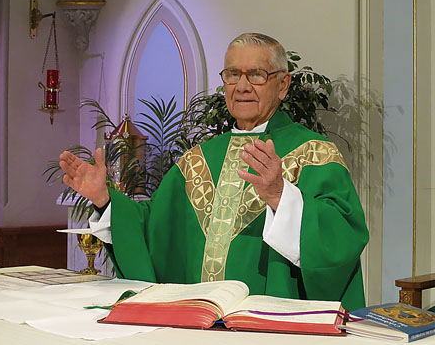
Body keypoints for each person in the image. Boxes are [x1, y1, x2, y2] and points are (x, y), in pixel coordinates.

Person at [60, 33, 369, 311]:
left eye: (257, 75)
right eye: (233, 74)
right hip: (196, 323)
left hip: (268, 325)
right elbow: (153, 231)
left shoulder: (314, 153)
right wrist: (105, 200)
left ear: (283, 85)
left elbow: (342, 238)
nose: (243, 86)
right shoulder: (198, 160)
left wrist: (280, 195)